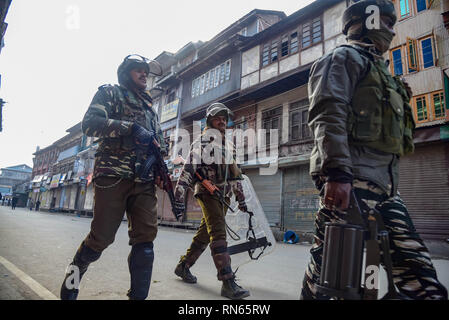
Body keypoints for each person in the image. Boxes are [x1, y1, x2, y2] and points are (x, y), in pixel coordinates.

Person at [300, 0, 447, 300]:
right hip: (350, 184)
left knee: (421, 281)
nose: (392, 31)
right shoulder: (342, 59)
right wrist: (338, 172)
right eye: (387, 23)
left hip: (386, 189)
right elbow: (328, 114)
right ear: (366, 23)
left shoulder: (384, 73)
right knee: (332, 281)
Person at [59, 54, 166, 300]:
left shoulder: (151, 109)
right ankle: (71, 282)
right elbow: (90, 124)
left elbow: (160, 142)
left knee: (146, 241)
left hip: (145, 180)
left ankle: (137, 297)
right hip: (113, 176)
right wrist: (129, 127)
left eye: (145, 72)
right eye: (138, 70)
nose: (143, 75)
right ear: (126, 73)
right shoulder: (111, 93)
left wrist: (162, 167)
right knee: (100, 239)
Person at [173, 103, 250, 300]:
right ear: (209, 121)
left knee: (204, 235)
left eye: (224, 117)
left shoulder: (227, 145)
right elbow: (189, 168)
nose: (222, 120)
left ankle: (183, 266)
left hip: (223, 195)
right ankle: (227, 281)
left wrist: (240, 198)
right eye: (218, 117)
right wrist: (179, 196)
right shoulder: (202, 141)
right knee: (218, 232)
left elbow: (235, 174)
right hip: (207, 193)